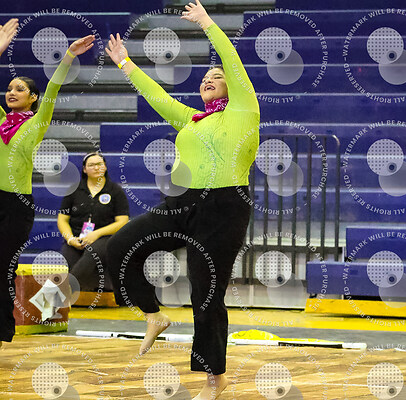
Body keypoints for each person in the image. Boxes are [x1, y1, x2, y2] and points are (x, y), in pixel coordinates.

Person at [105, 1, 259, 398]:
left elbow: (231, 61)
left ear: (232, 86)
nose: (209, 78)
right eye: (205, 77)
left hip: (223, 207)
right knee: (120, 246)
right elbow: (156, 95)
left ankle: (214, 379)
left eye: (216, 77)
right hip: (181, 202)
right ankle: (153, 316)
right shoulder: (191, 119)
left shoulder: (244, 110)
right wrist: (125, 63)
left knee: (205, 294)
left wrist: (207, 23)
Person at [0, 18, 95, 348]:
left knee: (3, 266)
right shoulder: (1, 119)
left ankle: (2, 331)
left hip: (16, 205)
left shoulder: (37, 122)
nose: (12, 92)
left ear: (32, 98)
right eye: (9, 88)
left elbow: (53, 89)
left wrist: (68, 56)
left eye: (19, 89)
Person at [57, 152, 129, 292]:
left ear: (105, 167)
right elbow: (62, 219)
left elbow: (122, 221)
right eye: (92, 165)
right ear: (84, 169)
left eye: (100, 164)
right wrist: (70, 239)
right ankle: (82, 292)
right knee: (70, 258)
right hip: (77, 237)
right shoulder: (74, 190)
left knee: (92, 252)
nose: (96, 168)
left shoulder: (115, 191)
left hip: (105, 237)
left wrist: (96, 234)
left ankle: (58, 292)